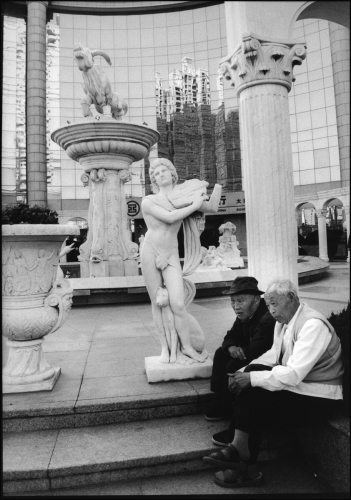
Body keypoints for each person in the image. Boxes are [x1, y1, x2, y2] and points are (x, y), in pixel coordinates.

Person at [203, 278, 344, 489]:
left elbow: (294, 374)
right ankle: (242, 454)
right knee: (253, 379)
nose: (271, 310)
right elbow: (273, 355)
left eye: (274, 304)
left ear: (292, 298)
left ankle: (243, 459)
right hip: (304, 388)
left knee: (256, 391)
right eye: (268, 305)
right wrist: (243, 372)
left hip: (322, 398)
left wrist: (251, 379)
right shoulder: (284, 322)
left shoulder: (312, 325)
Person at [141, 158, 222, 364]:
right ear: (154, 180)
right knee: (157, 302)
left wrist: (218, 184)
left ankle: (186, 347)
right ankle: (164, 349)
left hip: (171, 254)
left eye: (164, 171)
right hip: (150, 251)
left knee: (177, 303)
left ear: (173, 174)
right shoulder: (149, 200)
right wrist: (194, 204)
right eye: (156, 173)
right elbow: (170, 217)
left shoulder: (184, 197)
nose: (160, 174)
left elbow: (212, 207)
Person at [205, 276, 275, 422]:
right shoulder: (245, 313)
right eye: (233, 301)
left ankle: (235, 413)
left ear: (256, 299)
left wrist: (238, 350)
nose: (236, 306)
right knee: (221, 353)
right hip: (251, 353)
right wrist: (231, 347)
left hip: (269, 361)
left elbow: (256, 350)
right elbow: (230, 335)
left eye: (240, 300)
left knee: (233, 364)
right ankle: (221, 402)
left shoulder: (267, 317)